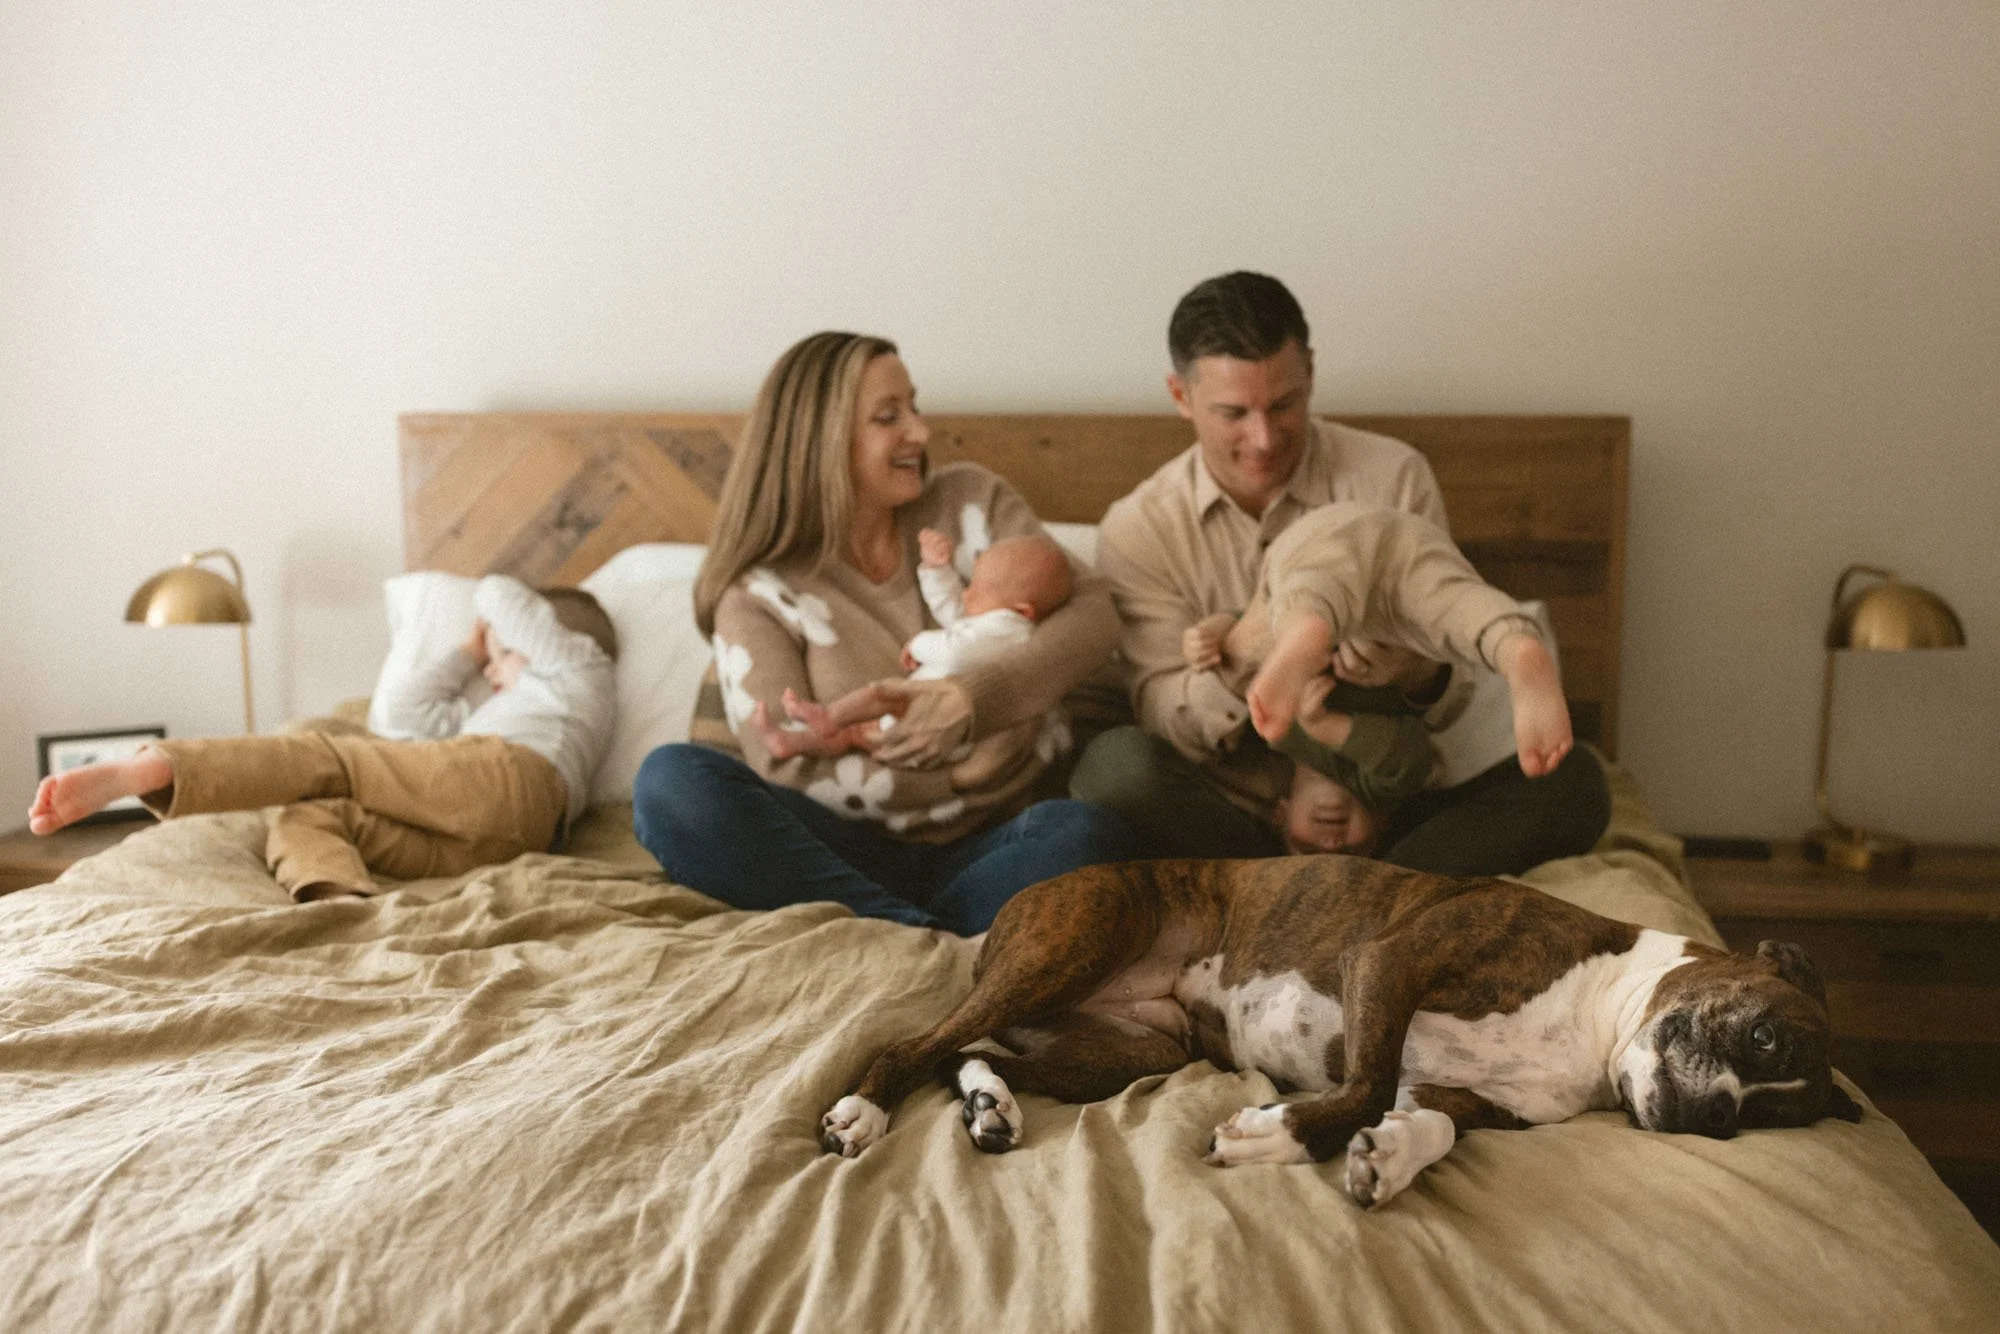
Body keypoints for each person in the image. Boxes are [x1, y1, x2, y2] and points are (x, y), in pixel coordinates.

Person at [1070, 270, 1609, 875]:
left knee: (1575, 783)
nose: (1264, 438)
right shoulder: (1140, 526)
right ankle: (1374, 901)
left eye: (1283, 405)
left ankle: (1337, 899)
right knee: (1112, 770)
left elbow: (1444, 661)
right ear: (1180, 396)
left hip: (1384, 800)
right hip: (1238, 818)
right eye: (1233, 413)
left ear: (1311, 376)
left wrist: (1414, 672)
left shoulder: (1391, 475)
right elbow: (1164, 718)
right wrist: (1243, 656)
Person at [631, 331, 1135, 934]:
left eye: (914, 408)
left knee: (1088, 835)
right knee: (670, 784)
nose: (920, 433)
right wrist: (955, 776)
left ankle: (883, 935)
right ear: (820, 441)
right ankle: (923, 937)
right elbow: (785, 765)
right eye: (888, 417)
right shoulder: (758, 594)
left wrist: (971, 701)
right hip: (832, 857)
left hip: (1002, 845)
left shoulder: (971, 502)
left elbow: (1093, 616)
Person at [27, 576, 618, 901]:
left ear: (545, 635)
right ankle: (337, 902)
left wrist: (492, 647)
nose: (487, 671)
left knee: (327, 756)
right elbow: (399, 710)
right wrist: (474, 657)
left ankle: (149, 772)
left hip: (512, 780)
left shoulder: (582, 668)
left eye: (497, 655)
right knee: (314, 812)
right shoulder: (499, 711)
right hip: (500, 839)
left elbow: (495, 589)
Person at [775, 526, 1073, 756]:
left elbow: (956, 652)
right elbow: (955, 610)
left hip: (934, 720)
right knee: (851, 735)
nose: (967, 593)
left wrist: (918, 644)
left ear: (1022, 611)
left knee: (877, 696)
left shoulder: (1010, 630)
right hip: (920, 712)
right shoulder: (997, 620)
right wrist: (936, 570)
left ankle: (828, 716)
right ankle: (793, 741)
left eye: (977, 591)